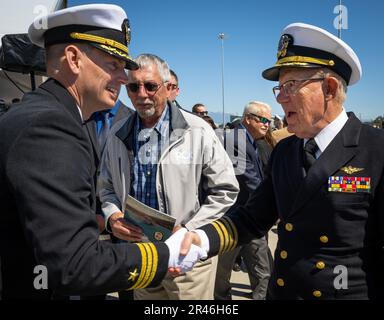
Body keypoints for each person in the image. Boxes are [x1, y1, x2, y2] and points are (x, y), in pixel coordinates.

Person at [0, 4, 204, 299]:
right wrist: (166, 254)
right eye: (113, 64)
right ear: (73, 59)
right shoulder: (50, 126)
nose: (124, 79)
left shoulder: (45, 114)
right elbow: (76, 265)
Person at [174, 22, 384, 300]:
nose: (281, 99)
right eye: (280, 88)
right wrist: (201, 240)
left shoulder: (376, 150)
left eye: (291, 86)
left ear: (330, 88)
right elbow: (252, 217)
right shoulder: (285, 150)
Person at [98, 53, 239, 300]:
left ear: (167, 87)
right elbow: (106, 186)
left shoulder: (198, 130)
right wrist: (114, 216)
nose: (141, 94)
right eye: (133, 87)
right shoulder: (118, 133)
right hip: (143, 256)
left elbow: (225, 189)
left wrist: (190, 230)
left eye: (150, 86)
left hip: (186, 258)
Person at [215, 101, 273, 300]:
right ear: (248, 119)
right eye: (264, 120)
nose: (268, 124)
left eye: (270, 121)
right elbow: (249, 180)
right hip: (233, 219)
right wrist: (274, 204)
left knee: (262, 268)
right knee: (223, 272)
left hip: (250, 215)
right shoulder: (235, 140)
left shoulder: (249, 139)